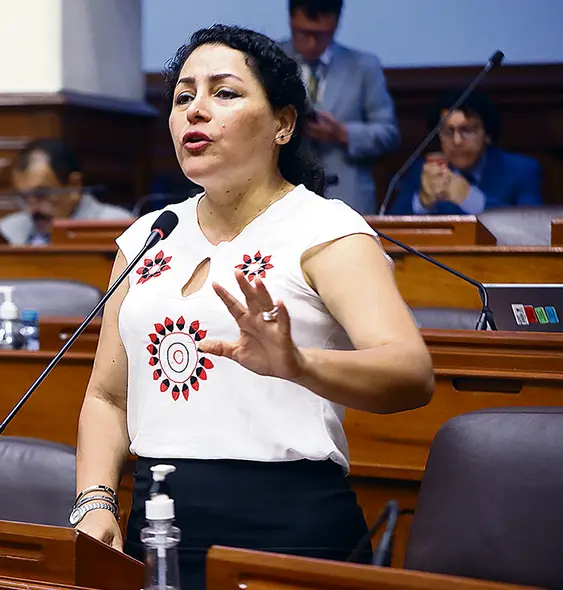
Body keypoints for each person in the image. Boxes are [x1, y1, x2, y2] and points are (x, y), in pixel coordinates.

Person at [72, 25, 433, 590]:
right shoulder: (148, 235)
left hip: (287, 524)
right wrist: (94, 501)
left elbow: (411, 373)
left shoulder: (326, 230)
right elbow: (106, 396)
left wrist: (300, 364)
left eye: (225, 92)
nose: (195, 111)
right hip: (157, 520)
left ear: (283, 124)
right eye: (183, 97)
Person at [280, 0, 399, 214]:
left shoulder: (364, 67)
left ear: (336, 24)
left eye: (321, 34)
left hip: (349, 198)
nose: (311, 43)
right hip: (284, 193)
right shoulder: (271, 61)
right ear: (290, 20)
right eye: (302, 33)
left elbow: (388, 133)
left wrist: (343, 133)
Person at [387, 90, 543, 215]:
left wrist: (470, 198)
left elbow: (529, 229)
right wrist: (423, 202)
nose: (457, 141)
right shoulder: (420, 171)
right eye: (448, 131)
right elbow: (390, 230)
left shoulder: (522, 170)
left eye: (467, 130)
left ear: (487, 134)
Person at [0, 139, 133, 245]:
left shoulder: (118, 228)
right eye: (24, 198)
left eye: (41, 194)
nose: (32, 209)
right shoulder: (7, 231)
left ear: (74, 186)